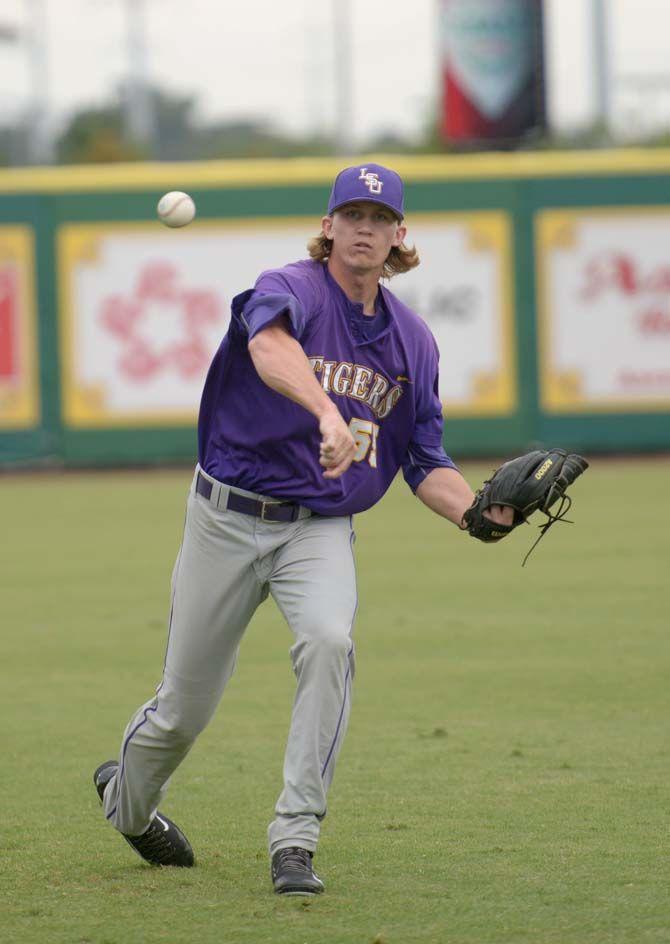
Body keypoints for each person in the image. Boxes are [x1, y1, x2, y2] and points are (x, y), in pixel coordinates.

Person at [93, 163, 512, 895]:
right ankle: (127, 804)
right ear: (328, 226)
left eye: (379, 219)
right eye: (351, 214)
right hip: (225, 517)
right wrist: (325, 412)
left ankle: (296, 840)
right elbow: (269, 348)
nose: (364, 228)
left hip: (318, 528)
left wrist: (479, 514)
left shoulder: (413, 343)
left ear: (399, 238)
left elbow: (425, 459)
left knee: (329, 642)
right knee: (181, 713)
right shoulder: (289, 287)